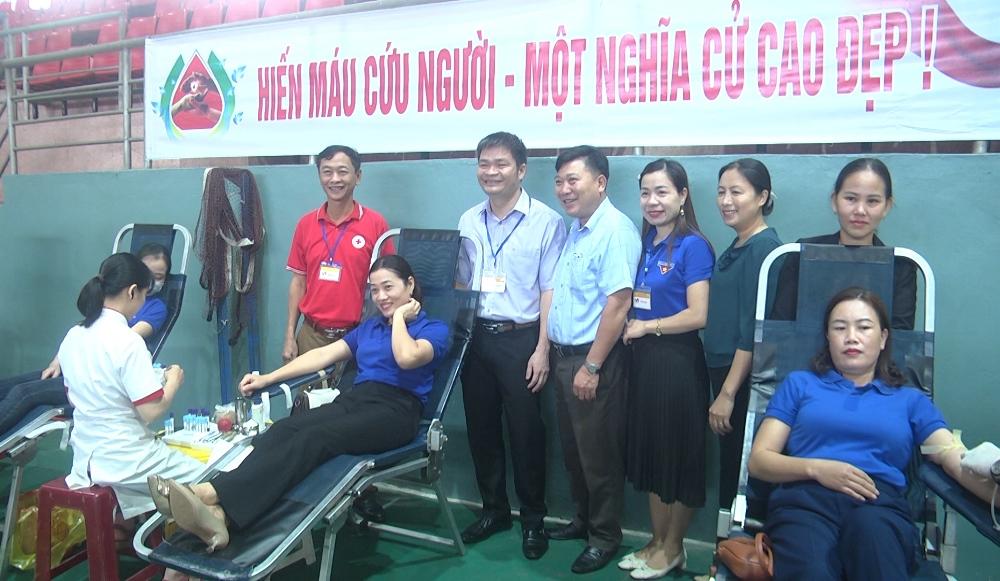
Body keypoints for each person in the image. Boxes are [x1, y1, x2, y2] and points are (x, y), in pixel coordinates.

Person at [152, 255, 450, 552]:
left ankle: (207, 494)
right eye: (374, 290)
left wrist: (399, 319)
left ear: (410, 285)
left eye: (388, 287)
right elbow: (321, 355)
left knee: (315, 439)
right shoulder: (370, 328)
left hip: (397, 411)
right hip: (357, 399)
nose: (381, 297)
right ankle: (221, 516)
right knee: (282, 430)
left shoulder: (435, 329)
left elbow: (406, 357)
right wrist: (267, 378)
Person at [748, 287, 998, 580]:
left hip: (878, 504)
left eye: (864, 327)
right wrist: (816, 469)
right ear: (828, 337)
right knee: (813, 570)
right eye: (839, 328)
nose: (851, 337)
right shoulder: (800, 385)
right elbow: (760, 460)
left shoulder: (910, 401)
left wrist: (994, 487)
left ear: (883, 338)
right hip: (805, 503)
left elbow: (950, 456)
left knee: (873, 537)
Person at [456, 132, 566, 559]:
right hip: (476, 339)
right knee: (481, 429)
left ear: (521, 170)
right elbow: (462, 282)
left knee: (526, 433)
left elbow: (550, 290)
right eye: (484, 164)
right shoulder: (469, 219)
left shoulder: (546, 221)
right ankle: (494, 511)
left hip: (522, 338)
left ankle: (533, 520)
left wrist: (542, 349)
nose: (491, 172)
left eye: (500, 164)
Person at [545, 146, 641, 574]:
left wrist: (592, 366)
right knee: (575, 451)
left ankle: (604, 537)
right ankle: (583, 520)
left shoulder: (614, 230)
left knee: (599, 456)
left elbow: (618, 304)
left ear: (600, 183)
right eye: (559, 181)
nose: (564, 189)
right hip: (565, 359)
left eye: (573, 180)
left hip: (592, 361)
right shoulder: (577, 228)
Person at [618, 160, 714, 579]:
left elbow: (698, 314)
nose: (652, 201)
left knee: (678, 457)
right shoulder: (647, 243)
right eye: (645, 193)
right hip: (643, 363)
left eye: (662, 192)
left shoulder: (693, 246)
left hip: (677, 365)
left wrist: (647, 326)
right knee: (654, 455)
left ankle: (675, 547)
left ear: (682, 195)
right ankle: (657, 542)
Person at [57, 253, 202, 520]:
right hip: (126, 458)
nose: (144, 301)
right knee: (212, 475)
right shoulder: (128, 341)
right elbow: (151, 411)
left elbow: (76, 395)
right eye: (145, 294)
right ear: (133, 291)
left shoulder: (73, 335)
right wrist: (173, 382)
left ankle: (125, 529)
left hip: (86, 459)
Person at [0, 244, 174, 436]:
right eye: (147, 273)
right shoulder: (103, 312)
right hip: (81, 365)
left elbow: (117, 340)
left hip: (99, 375)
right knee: (9, 386)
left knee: (23, 393)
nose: (152, 281)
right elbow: (86, 330)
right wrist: (58, 360)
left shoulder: (148, 315)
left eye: (158, 276)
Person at [703, 158, 781, 512]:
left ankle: (738, 544)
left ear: (762, 197)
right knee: (728, 467)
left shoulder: (764, 248)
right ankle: (727, 544)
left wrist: (728, 393)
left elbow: (753, 329)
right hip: (721, 368)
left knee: (740, 474)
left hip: (742, 379)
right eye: (721, 192)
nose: (726, 200)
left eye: (736, 192)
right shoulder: (738, 244)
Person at [770, 158, 917, 329]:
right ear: (834, 201)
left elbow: (900, 337)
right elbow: (780, 329)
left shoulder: (900, 266)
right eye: (851, 198)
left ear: (887, 207)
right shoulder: (804, 254)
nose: (860, 210)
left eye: (872, 201)